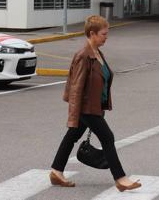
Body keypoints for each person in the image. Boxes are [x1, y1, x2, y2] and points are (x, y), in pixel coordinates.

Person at [49, 15, 141, 192]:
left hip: (94, 106)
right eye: (104, 34)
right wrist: (74, 116)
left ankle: (56, 171)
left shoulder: (98, 53)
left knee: (72, 136)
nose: (107, 37)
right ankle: (120, 178)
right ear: (92, 34)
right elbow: (76, 89)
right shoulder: (83, 56)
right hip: (87, 108)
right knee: (108, 137)